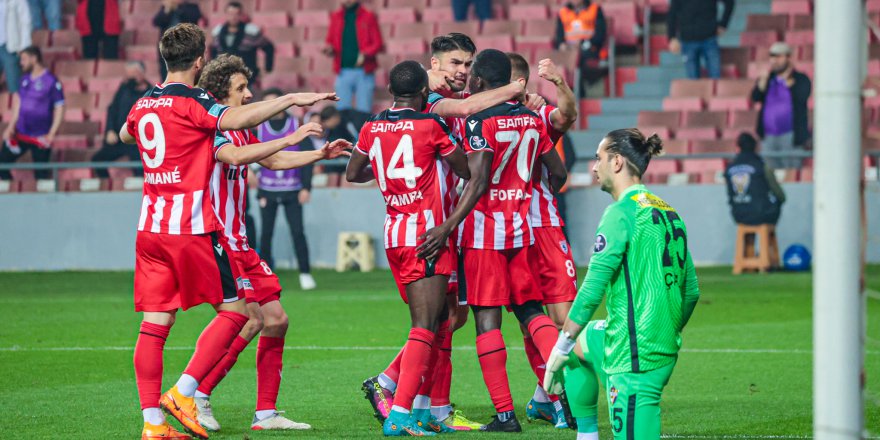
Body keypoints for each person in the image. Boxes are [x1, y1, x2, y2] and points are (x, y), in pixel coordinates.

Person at [116, 23, 337, 440]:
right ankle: (187, 392)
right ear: (200, 61)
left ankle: (153, 424)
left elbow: (125, 134)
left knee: (155, 326)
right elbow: (232, 131)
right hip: (193, 228)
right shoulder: (198, 104)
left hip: (151, 227)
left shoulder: (145, 101)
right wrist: (291, 100)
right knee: (237, 313)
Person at [360, 33, 528, 433]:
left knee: (449, 317)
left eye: (469, 65)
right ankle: (395, 390)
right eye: (456, 63)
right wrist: (517, 91)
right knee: (437, 317)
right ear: (433, 66)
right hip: (430, 227)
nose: (464, 72)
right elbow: (470, 106)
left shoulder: (431, 107)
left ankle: (431, 406)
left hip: (439, 223)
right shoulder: (432, 104)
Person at [190, 53, 349, 432]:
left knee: (275, 320)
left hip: (240, 241)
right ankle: (195, 394)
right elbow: (237, 156)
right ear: (220, 92)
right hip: (217, 240)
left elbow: (273, 162)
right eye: (241, 88)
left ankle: (265, 414)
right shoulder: (214, 128)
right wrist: (291, 133)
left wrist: (319, 154)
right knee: (247, 319)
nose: (248, 95)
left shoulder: (243, 127)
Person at [416, 48, 568, 432]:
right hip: (522, 229)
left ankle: (505, 415)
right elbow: (559, 172)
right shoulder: (533, 121)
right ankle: (565, 398)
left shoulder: (479, 121)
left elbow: (478, 179)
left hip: (483, 234)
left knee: (487, 322)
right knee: (532, 312)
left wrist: (448, 226)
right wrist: (525, 189)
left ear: (480, 81)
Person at [543, 128, 701, 440]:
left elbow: (591, 291)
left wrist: (559, 346)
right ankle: (586, 434)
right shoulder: (669, 211)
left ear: (616, 162)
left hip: (634, 357)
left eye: (598, 157)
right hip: (645, 342)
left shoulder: (620, 213)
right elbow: (692, 290)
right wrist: (665, 330)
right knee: (581, 345)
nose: (593, 166)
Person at [345, 60, 470, 436]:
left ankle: (421, 408)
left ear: (390, 90)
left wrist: (383, 170)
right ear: (423, 93)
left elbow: (353, 173)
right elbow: (464, 169)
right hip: (427, 235)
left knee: (436, 323)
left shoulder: (371, 126)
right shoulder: (431, 125)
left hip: (395, 233)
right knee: (426, 326)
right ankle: (399, 414)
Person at [508, 52, 579, 430]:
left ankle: (552, 396)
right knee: (530, 324)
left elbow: (567, 115)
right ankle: (550, 399)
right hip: (511, 233)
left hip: (544, 227)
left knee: (564, 321)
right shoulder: (477, 117)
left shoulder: (538, 115)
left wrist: (559, 83)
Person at [255, 88, 318, 291]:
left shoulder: (295, 125)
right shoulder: (258, 127)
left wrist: (307, 187)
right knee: (266, 235)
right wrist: (258, 191)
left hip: (293, 189)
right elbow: (251, 155)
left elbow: (308, 157)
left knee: (298, 232)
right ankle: (263, 276)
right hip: (267, 190)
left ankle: (305, 273)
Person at [0, 46, 64, 181]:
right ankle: (12, 192)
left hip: (40, 137)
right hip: (20, 133)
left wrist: (52, 132)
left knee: (41, 176)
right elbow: (18, 104)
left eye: (24, 59)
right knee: (2, 165)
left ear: (34, 59)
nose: (21, 62)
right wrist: (11, 126)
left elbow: (59, 108)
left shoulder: (51, 81)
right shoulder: (24, 79)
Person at [751, 42, 811, 169]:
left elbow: (803, 96)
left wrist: (790, 84)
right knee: (771, 174)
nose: (774, 60)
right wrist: (762, 82)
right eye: (772, 56)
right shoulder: (768, 78)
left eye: (778, 56)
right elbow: (755, 97)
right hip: (768, 136)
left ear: (788, 58)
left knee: (791, 171)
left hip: (791, 135)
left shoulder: (800, 78)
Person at [91, 61, 150, 178]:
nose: (131, 77)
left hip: (138, 142)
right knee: (97, 160)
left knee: (140, 169)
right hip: (119, 138)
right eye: (129, 74)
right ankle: (107, 186)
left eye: (134, 74)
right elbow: (112, 110)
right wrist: (110, 130)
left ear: (142, 74)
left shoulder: (150, 93)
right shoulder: (123, 89)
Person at [324, 0, 383, 113]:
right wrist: (329, 49)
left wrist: (365, 53)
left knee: (364, 111)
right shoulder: (336, 17)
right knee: (342, 111)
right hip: (343, 71)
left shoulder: (368, 16)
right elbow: (330, 41)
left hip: (364, 72)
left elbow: (378, 43)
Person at [725, 132, 786, 226]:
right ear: (755, 148)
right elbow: (780, 195)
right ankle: (768, 238)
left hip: (738, 216)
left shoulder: (729, 169)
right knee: (774, 201)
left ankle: (748, 240)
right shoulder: (761, 166)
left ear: (738, 148)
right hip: (763, 215)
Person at [667, 0, 734, 79]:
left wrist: (723, 24)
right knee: (693, 83)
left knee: (715, 79)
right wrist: (672, 37)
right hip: (688, 41)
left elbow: (730, 2)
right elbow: (672, 14)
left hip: (709, 39)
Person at [553, 0, 607, 97]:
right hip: (569, 51)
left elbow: (600, 35)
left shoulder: (595, 9)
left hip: (591, 49)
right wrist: (562, 45)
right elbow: (559, 37)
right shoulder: (563, 12)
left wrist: (583, 43)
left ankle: (579, 95)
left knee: (579, 59)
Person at [210, 1, 274, 81]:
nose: (233, 17)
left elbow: (268, 47)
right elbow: (213, 52)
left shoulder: (251, 31)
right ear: (226, 14)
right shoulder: (217, 32)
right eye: (230, 13)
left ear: (241, 15)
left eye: (236, 14)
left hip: (247, 76)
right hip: (224, 77)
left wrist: (268, 68)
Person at [153, 0, 202, 80]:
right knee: (165, 72)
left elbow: (192, 18)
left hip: (186, 47)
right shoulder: (166, 8)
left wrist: (178, 8)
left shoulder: (192, 7)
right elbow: (156, 22)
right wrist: (167, 10)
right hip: (168, 47)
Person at [1, 0, 31, 93]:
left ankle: (17, 107)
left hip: (10, 47)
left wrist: (23, 47)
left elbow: (25, 22)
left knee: (14, 88)